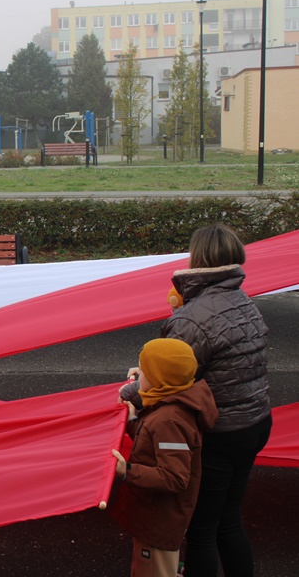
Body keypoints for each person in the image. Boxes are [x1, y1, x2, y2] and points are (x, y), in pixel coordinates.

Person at [120, 223, 271, 577]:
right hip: (255, 421)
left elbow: (170, 373)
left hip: (219, 431)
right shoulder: (243, 301)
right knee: (229, 520)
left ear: (197, 258)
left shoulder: (193, 316)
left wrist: (131, 393)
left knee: (202, 531)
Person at [111, 338, 218, 577]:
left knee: (153, 570)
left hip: (158, 520)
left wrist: (126, 470)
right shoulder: (171, 403)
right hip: (157, 517)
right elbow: (153, 441)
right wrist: (132, 422)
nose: (138, 379)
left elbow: (174, 477)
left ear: (160, 379)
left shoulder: (170, 419)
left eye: (144, 373)